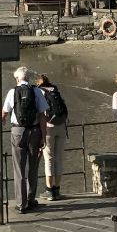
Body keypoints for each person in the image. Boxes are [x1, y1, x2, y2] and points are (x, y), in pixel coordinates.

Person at [1, 67, 48, 214]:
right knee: (33, 166)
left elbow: (5, 112)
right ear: (28, 78)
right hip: (34, 132)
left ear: (17, 79)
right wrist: (43, 136)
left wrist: (2, 119)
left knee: (19, 168)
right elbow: (43, 115)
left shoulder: (12, 92)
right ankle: (31, 199)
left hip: (18, 132)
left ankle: (21, 204)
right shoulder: (37, 92)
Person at [35, 73, 68, 201]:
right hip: (61, 126)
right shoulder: (56, 90)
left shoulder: (40, 92)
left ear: (38, 83)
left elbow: (40, 112)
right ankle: (57, 189)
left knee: (49, 159)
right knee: (58, 158)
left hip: (48, 128)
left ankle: (49, 191)